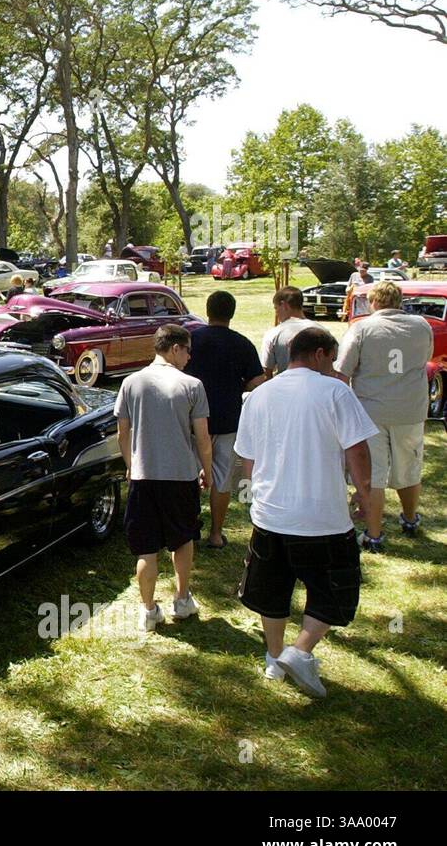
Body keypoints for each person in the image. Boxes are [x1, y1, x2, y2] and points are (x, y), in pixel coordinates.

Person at [235, 327, 378, 697]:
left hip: (271, 515)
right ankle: (299, 651)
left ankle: (273, 656)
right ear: (318, 353)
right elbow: (358, 451)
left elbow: (246, 458)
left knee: (272, 589)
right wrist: (365, 496)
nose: (333, 367)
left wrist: (256, 496)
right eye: (331, 358)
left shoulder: (258, 395)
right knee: (334, 591)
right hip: (323, 516)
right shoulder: (335, 391)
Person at [113, 324, 213, 632]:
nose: (189, 357)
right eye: (187, 350)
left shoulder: (131, 382)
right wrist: (207, 471)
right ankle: (182, 600)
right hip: (181, 477)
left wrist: (131, 465)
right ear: (175, 349)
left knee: (146, 548)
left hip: (143, 476)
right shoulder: (192, 385)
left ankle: (148, 609)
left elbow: (122, 433)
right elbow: (203, 438)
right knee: (182, 540)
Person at [335, 280, 433, 551]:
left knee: (373, 474)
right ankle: (411, 518)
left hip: (371, 411)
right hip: (410, 409)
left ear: (373, 302)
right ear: (399, 302)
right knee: (409, 468)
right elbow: (426, 357)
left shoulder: (362, 329)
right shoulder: (421, 326)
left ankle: (374, 533)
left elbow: (343, 371)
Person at [183, 290, 267, 549]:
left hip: (193, 420)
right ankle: (216, 534)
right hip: (229, 419)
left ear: (207, 311)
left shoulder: (191, 340)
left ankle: (188, 529)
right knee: (222, 478)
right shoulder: (242, 343)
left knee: (188, 476)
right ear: (232, 313)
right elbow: (257, 381)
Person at [259, 287, 320, 378]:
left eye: (276, 308)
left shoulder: (274, 334)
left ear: (284, 305)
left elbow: (266, 372)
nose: (276, 313)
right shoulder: (322, 331)